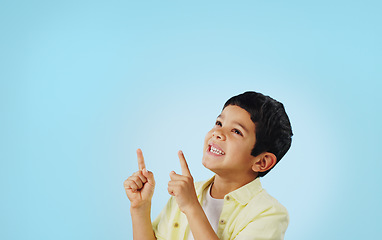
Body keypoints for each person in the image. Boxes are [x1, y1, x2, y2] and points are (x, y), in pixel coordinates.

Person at [124, 91, 293, 240]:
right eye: (219, 123)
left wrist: (191, 207)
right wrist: (140, 208)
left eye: (236, 131)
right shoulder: (186, 193)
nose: (217, 133)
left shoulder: (270, 213)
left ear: (261, 162)